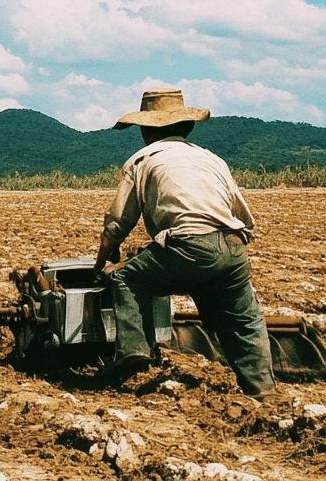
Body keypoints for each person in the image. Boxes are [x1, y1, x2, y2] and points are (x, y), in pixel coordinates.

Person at [93, 88, 276, 397]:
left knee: (126, 278)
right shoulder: (211, 159)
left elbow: (118, 222)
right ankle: (262, 390)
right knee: (243, 322)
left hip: (188, 245)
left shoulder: (142, 159)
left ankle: (134, 354)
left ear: (146, 130)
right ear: (187, 127)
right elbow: (242, 215)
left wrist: (103, 259)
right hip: (232, 246)